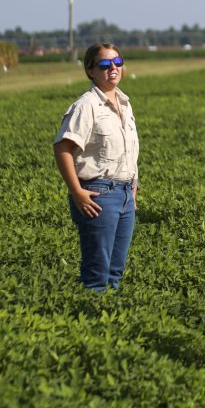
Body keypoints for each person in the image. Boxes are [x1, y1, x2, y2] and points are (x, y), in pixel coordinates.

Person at [53, 43, 139, 291]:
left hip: (124, 195)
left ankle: (109, 323)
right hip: (99, 194)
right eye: (104, 64)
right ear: (91, 70)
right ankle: (90, 322)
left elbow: (128, 150)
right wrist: (77, 192)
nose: (113, 68)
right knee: (97, 274)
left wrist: (132, 186)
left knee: (115, 272)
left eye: (117, 62)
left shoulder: (124, 103)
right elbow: (62, 148)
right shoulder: (86, 105)